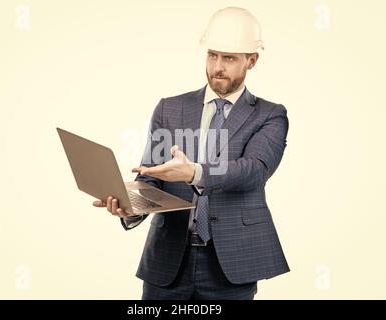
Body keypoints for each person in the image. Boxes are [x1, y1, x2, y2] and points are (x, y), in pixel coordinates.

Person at [93, 7, 290, 300]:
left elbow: (254, 170)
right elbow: (152, 178)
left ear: (252, 60)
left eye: (230, 58)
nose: (218, 66)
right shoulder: (170, 108)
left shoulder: (269, 115)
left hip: (232, 263)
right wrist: (131, 206)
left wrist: (196, 173)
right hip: (168, 261)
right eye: (212, 55)